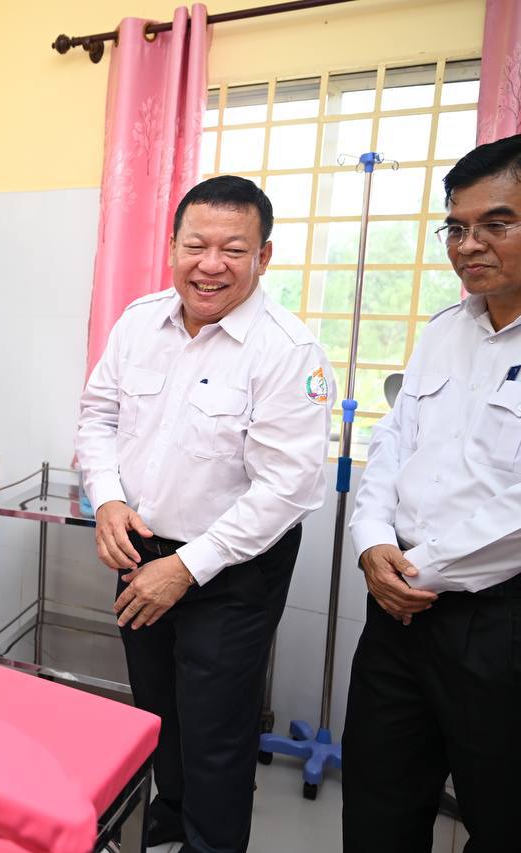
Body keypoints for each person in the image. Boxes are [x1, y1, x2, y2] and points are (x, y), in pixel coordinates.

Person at [75, 176, 334, 853]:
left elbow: (289, 487)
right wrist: (107, 497)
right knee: (158, 708)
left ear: (264, 256)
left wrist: (188, 567)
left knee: (215, 728)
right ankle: (170, 826)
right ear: (172, 246)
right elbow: (98, 416)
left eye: (233, 249)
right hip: (141, 548)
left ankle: (210, 842)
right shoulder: (139, 322)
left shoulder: (288, 351)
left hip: (232, 567)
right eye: (195, 245)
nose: (209, 264)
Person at [342, 134, 521, 853]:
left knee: (502, 817)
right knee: (378, 804)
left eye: (496, 224)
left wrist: (419, 570)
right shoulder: (446, 329)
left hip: (498, 622)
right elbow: (393, 442)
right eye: (456, 227)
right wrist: (372, 542)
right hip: (397, 613)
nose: (469, 245)